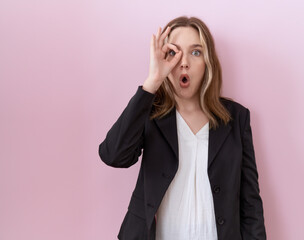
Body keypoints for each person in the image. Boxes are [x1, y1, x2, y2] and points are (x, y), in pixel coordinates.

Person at [98, 16, 266, 240]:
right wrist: (152, 81)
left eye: (195, 52)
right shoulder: (150, 113)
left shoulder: (236, 118)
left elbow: (250, 202)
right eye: (173, 53)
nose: (183, 62)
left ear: (208, 62)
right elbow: (113, 155)